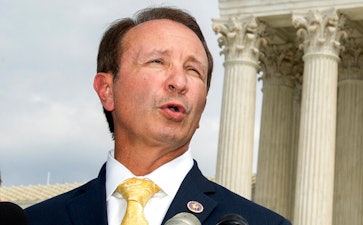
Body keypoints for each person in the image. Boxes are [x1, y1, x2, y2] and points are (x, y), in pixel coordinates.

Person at [24, 6, 292, 225]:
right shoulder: (36, 220)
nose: (179, 81)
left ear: (201, 108)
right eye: (157, 62)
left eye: (193, 70)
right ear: (107, 90)